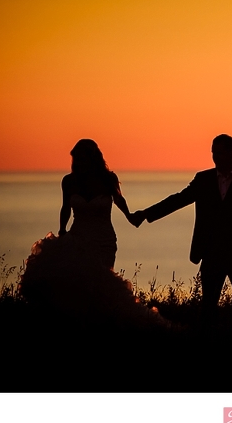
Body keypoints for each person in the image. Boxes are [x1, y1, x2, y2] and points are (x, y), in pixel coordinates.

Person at [131, 134, 232, 332]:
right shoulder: (203, 179)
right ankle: (205, 343)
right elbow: (178, 200)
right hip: (211, 252)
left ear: (231, 152)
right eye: (213, 153)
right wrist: (146, 214)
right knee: (207, 306)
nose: (215, 157)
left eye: (219, 153)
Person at [19, 139, 166, 328]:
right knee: (78, 284)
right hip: (78, 237)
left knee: (102, 284)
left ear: (92, 158)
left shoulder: (108, 179)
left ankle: (103, 323)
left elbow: (119, 200)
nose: (78, 163)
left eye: (82, 158)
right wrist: (62, 231)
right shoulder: (69, 181)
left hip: (104, 240)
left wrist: (130, 217)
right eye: (76, 159)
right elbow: (65, 208)